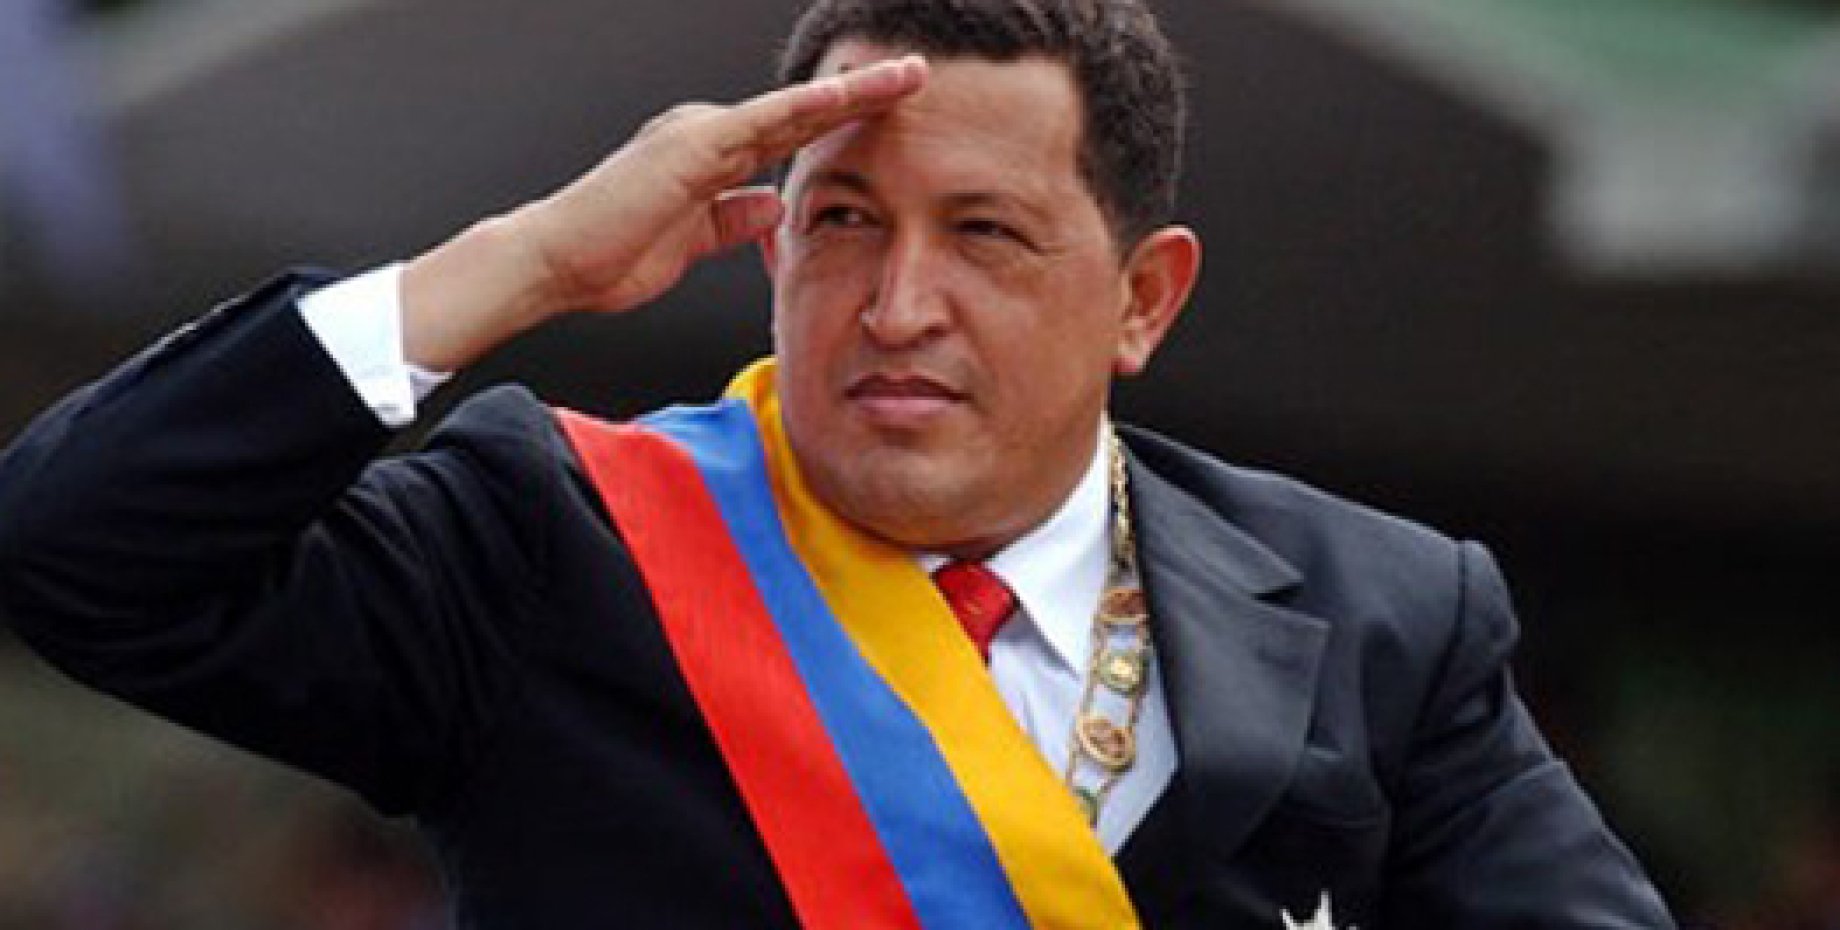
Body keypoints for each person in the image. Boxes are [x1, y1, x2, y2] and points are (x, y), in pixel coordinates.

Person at [0, 0, 1675, 926]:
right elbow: (79, 544)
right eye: (845, 221)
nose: (896, 304)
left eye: (987, 234)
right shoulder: (548, 541)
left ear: (1143, 299)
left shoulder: (1383, 613)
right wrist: (519, 264)